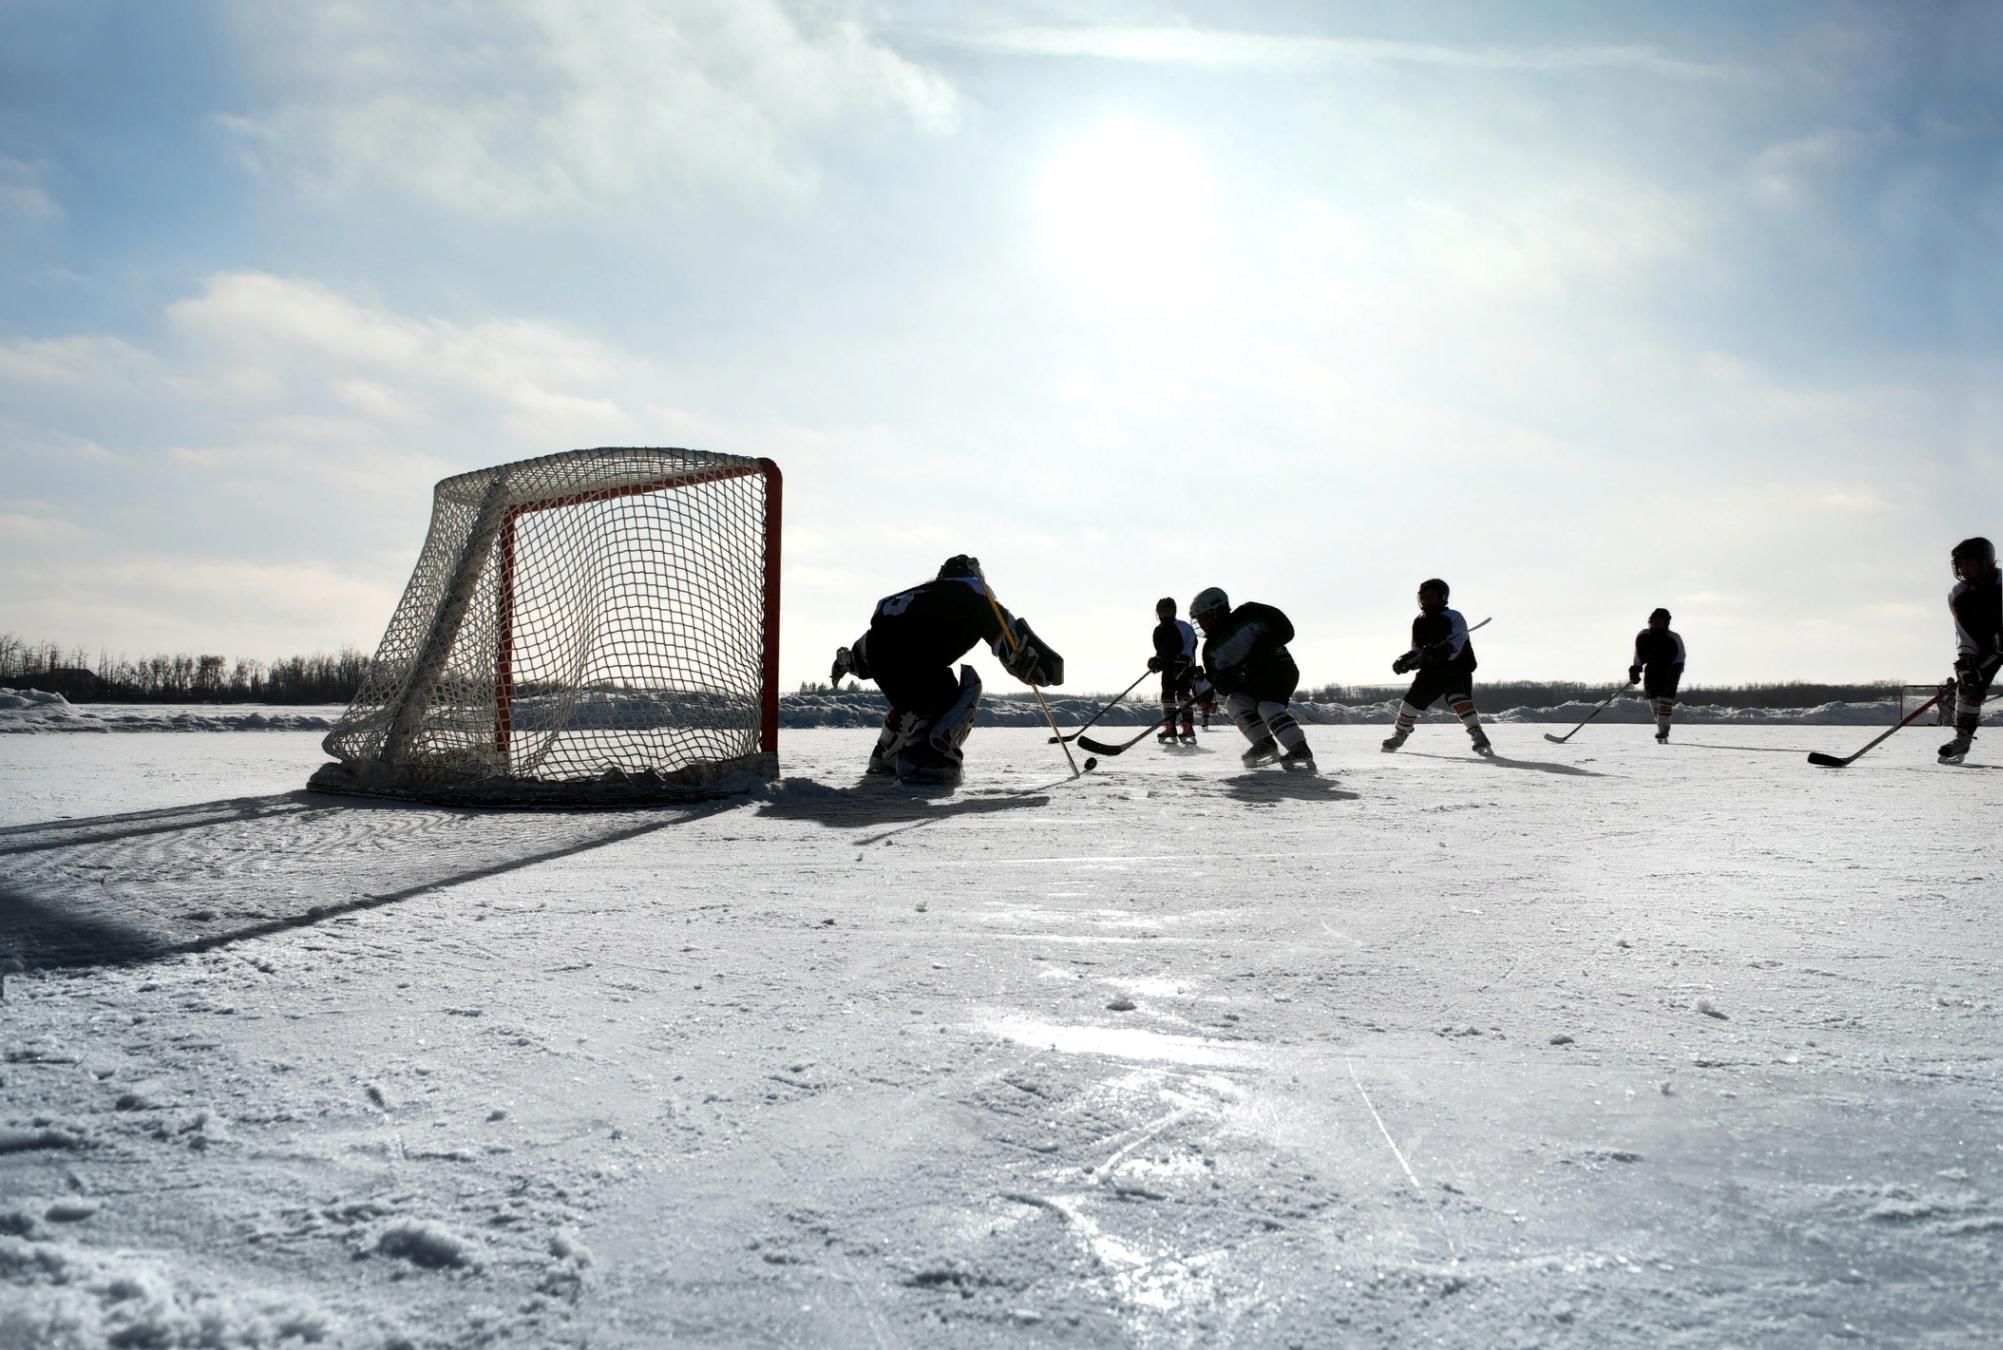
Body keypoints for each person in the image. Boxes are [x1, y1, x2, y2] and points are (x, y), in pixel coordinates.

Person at [830, 555, 1063, 784]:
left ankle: (887, 753)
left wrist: (843, 662)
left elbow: (864, 652)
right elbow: (1013, 642)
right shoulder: (974, 593)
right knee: (958, 691)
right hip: (915, 655)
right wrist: (1044, 668)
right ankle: (927, 755)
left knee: (917, 699)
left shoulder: (912, 598)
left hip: (880, 653)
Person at [1188, 587, 1315, 770]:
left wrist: (1258, 653)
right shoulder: (1210, 649)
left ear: (1218, 610)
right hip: (1250, 683)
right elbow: (1223, 687)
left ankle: (1299, 748)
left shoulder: (1250, 613)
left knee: (1267, 706)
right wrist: (1226, 678)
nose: (1200, 622)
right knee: (1235, 702)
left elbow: (1286, 630)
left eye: (1203, 617)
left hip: (1278, 671)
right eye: (1198, 618)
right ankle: (1265, 745)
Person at [1382, 578, 1491, 756]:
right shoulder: (1419, 621)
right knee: (1410, 703)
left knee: (1458, 699)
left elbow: (1457, 645)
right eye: (1423, 597)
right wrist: (1406, 660)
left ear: (1442, 598)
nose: (1426, 600)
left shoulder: (1454, 617)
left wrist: (1438, 653)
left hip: (1456, 668)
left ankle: (1476, 733)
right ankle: (1401, 733)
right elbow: (1417, 649)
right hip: (1431, 671)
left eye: (1431, 596)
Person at [1940, 537, 2001, 765]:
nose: (1964, 569)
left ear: (1985, 562)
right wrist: (1966, 659)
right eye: (1961, 565)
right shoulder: (1958, 595)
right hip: (1987, 648)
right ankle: (1962, 738)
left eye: (1970, 563)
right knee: (1969, 685)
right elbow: (1963, 632)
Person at [1628, 608, 1687, 743]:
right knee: (1653, 699)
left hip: (1670, 670)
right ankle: (1662, 729)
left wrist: (1675, 670)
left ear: (1666, 623)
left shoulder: (1673, 637)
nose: (1658, 623)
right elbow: (1639, 655)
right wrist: (1635, 670)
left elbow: (1680, 656)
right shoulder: (1643, 636)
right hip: (1652, 670)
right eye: (1656, 620)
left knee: (1665, 699)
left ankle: (1663, 729)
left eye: (1662, 621)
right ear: (1651, 620)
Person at [1149, 597, 1198, 744]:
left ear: (1174, 611)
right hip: (1169, 668)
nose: (1164, 614)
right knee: (1167, 696)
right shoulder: (1158, 630)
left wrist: (1185, 660)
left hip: (1184, 666)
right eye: (1161, 611)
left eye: (1167, 610)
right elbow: (1161, 651)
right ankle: (1170, 726)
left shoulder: (1183, 626)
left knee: (1183, 695)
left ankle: (1187, 727)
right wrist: (1157, 660)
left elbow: (1191, 644)